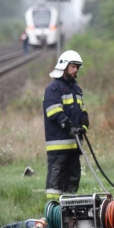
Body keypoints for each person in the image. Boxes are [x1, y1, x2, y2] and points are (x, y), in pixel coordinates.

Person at [43, 50, 89, 199]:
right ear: (64, 66)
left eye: (77, 67)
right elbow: (54, 112)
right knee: (56, 178)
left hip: (75, 145)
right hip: (58, 144)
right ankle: (52, 209)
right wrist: (68, 126)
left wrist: (84, 125)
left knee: (73, 177)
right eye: (73, 66)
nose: (76, 70)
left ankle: (70, 208)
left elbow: (83, 111)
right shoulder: (53, 88)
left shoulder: (77, 90)